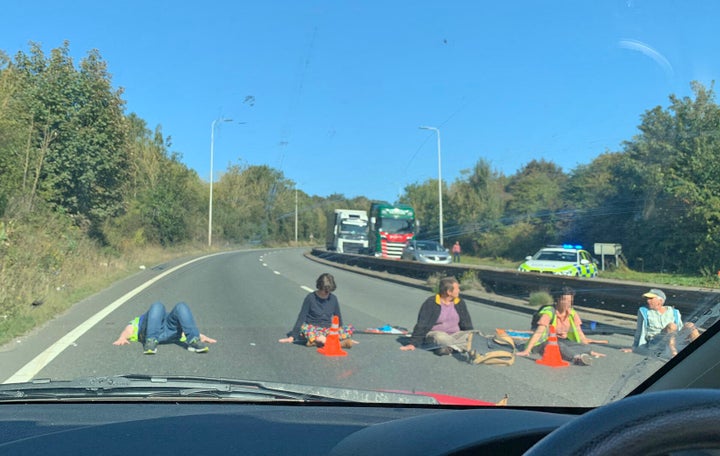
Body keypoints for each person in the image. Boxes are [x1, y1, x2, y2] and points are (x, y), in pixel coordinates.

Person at [517, 287, 606, 366]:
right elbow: (538, 332)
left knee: (582, 347)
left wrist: (589, 351)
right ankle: (576, 358)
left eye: (570, 300)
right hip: (543, 342)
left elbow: (580, 333)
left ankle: (582, 353)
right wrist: (527, 350)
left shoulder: (572, 313)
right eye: (564, 300)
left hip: (561, 341)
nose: (568, 303)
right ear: (558, 300)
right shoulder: (549, 312)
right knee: (559, 345)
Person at [400, 276, 474, 356]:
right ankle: (457, 347)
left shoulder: (460, 302)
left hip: (456, 335)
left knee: (475, 337)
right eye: (457, 289)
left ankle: (448, 348)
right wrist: (413, 343)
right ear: (449, 292)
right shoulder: (431, 303)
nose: (459, 290)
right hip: (436, 335)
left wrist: (472, 335)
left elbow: (466, 322)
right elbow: (422, 324)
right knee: (441, 338)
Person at [279, 273, 356, 348]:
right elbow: (301, 317)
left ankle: (318, 342)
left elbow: (338, 318)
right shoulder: (310, 298)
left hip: (328, 330)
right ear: (319, 287)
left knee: (349, 329)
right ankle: (336, 344)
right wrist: (292, 337)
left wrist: (342, 333)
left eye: (329, 291)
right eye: (325, 291)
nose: (327, 293)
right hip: (313, 328)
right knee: (304, 328)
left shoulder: (333, 299)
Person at [113, 301, 217, 354]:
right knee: (158, 305)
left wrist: (199, 336)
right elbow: (129, 328)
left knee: (181, 306)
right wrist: (122, 337)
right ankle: (151, 340)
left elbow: (185, 327)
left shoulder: (168, 319)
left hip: (171, 332)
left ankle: (194, 340)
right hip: (150, 331)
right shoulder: (142, 319)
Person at [621, 289, 698, 356]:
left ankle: (700, 348)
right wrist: (635, 348)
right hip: (656, 342)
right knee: (671, 326)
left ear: (660, 301)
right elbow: (640, 331)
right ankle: (673, 353)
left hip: (674, 339)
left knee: (690, 325)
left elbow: (680, 328)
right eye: (647, 299)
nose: (648, 301)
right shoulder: (644, 311)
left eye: (651, 298)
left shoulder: (674, 312)